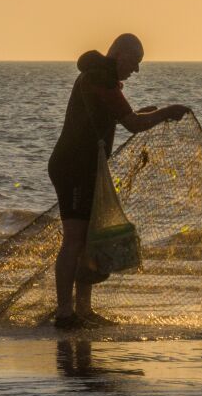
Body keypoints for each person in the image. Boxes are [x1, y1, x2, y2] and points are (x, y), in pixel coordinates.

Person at [48, 34, 190, 328]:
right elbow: (133, 124)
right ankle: (65, 313)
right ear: (119, 53)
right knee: (74, 240)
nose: (136, 70)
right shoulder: (100, 78)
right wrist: (166, 112)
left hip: (87, 168)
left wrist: (152, 113)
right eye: (134, 62)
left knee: (87, 240)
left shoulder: (102, 77)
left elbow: (125, 116)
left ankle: (83, 311)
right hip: (73, 166)